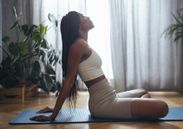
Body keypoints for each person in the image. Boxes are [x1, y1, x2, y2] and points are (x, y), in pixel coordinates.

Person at [30, 11, 168, 121]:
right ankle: (141, 112)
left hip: (112, 97)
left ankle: (139, 113)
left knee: (144, 92)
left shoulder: (82, 44)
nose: (88, 17)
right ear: (77, 24)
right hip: (103, 104)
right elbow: (69, 81)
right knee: (163, 108)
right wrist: (54, 114)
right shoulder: (78, 46)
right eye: (83, 16)